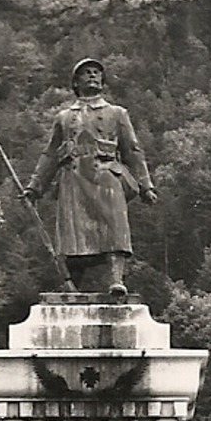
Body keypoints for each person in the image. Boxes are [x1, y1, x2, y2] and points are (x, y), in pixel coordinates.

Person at [24, 58, 158, 299]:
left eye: (96, 72)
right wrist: (35, 186)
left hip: (106, 176)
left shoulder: (117, 114)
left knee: (115, 229)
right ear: (76, 82)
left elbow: (132, 150)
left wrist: (146, 185)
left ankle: (116, 280)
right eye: (86, 73)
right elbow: (50, 154)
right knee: (73, 236)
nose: (92, 75)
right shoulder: (64, 117)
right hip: (73, 180)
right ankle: (72, 286)